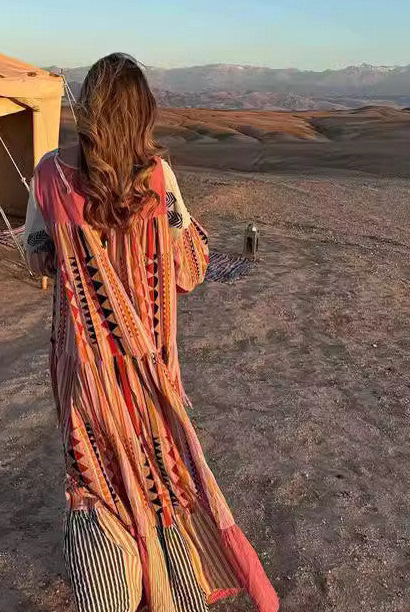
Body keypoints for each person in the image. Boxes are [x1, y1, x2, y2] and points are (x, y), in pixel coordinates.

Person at [24, 53, 279, 612]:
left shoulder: (49, 173)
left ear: (89, 111)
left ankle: (109, 590)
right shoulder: (160, 180)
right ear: (144, 116)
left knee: (96, 481)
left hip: (86, 373)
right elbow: (188, 270)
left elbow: (40, 259)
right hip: (151, 374)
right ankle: (172, 594)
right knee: (159, 478)